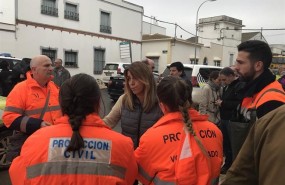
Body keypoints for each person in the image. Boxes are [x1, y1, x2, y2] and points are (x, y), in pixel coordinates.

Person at [9, 73, 137, 185]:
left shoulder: (35, 142)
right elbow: (130, 179)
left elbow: (18, 177)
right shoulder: (123, 145)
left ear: (62, 103)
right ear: (98, 103)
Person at [135, 76, 223, 185]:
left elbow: (141, 175)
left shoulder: (150, 138)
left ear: (162, 106)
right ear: (190, 100)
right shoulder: (215, 132)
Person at [221, 41, 285, 185]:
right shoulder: (251, 91)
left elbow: (272, 158)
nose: (235, 67)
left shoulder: (272, 100)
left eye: (240, 62)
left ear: (258, 65)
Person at [2, 55, 62, 162]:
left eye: (51, 65)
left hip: (54, 143)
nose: (51, 68)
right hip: (32, 144)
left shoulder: (54, 87)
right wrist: (38, 124)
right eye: (46, 66)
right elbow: (9, 118)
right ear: (34, 69)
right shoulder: (20, 89)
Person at [103, 61, 162, 149]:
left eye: (135, 78)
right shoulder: (124, 99)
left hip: (152, 158)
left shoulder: (161, 102)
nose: (131, 83)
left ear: (146, 79)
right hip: (128, 157)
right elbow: (107, 122)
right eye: (129, 78)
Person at [215, 67, 245, 174]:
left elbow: (238, 104)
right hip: (224, 118)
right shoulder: (227, 87)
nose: (223, 82)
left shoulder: (239, 86)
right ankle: (227, 163)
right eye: (221, 80)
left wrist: (223, 103)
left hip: (232, 120)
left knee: (232, 144)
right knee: (226, 143)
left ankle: (232, 165)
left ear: (231, 76)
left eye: (224, 79)